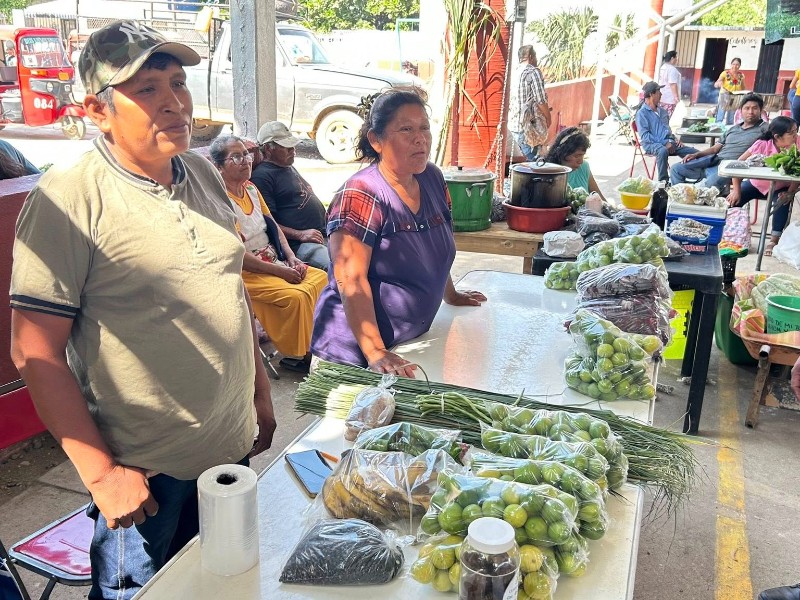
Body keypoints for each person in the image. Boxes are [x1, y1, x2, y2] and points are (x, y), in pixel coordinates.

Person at [8, 20, 276, 600]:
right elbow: (34, 350)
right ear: (98, 111)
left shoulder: (203, 170)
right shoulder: (67, 199)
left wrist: (258, 392)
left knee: (224, 584)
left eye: (178, 83)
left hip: (230, 449)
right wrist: (102, 475)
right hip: (147, 478)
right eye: (147, 89)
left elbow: (229, 290)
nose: (174, 103)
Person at [310, 86, 486, 377]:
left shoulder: (432, 177)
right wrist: (375, 352)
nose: (420, 139)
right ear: (376, 140)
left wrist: (450, 293)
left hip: (407, 345)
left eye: (424, 128)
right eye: (406, 129)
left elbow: (433, 249)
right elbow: (350, 279)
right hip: (355, 355)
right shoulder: (362, 194)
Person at [210, 134, 327, 373]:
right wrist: (281, 271)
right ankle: (297, 355)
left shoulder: (251, 189)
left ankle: (317, 344)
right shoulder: (220, 202)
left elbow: (272, 226)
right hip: (247, 273)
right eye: (236, 157)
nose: (245, 161)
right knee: (296, 296)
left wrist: (291, 259)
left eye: (246, 154)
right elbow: (239, 255)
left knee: (319, 278)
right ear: (219, 167)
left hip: (273, 260)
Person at [250, 121, 330, 271]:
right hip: (299, 244)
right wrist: (300, 235)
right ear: (268, 149)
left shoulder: (287, 166)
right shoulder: (262, 176)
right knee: (338, 267)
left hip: (322, 234)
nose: (292, 150)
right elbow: (267, 222)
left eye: (292, 146)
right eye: (286, 147)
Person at [727, 115, 799, 256]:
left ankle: (773, 240)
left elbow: (798, 174)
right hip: (756, 185)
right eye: (791, 133)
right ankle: (729, 235)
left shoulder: (798, 144)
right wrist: (736, 190)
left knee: (781, 202)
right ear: (777, 136)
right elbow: (737, 165)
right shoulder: (762, 144)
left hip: (782, 187)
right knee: (731, 201)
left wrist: (790, 192)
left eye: (796, 131)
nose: (795, 135)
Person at [670, 92, 768, 190]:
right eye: (747, 108)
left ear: (761, 110)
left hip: (731, 168)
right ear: (741, 110)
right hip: (712, 162)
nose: (750, 112)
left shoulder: (765, 129)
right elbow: (714, 149)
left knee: (707, 186)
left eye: (755, 108)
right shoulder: (733, 129)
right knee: (676, 169)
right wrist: (696, 155)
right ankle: (680, 196)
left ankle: (697, 196)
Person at [635, 81, 699, 182]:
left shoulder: (663, 111)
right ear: (652, 94)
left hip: (669, 142)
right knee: (662, 150)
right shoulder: (641, 114)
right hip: (651, 144)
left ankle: (698, 177)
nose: (661, 94)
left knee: (696, 153)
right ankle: (663, 183)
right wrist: (665, 142)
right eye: (658, 91)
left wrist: (674, 139)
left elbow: (666, 130)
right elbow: (645, 136)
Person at [508, 45, 550, 161]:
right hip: (528, 128)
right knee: (531, 166)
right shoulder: (533, 72)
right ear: (531, 57)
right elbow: (540, 100)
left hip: (512, 127)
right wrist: (548, 117)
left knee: (517, 164)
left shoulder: (512, 73)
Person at [545, 127, 606, 201]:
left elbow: (600, 198)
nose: (580, 161)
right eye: (577, 156)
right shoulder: (548, 174)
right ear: (562, 153)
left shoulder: (584, 167)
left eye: (583, 155)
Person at [714, 58, 746, 125]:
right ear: (731, 65)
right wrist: (719, 84)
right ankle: (717, 127)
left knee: (731, 117)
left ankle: (729, 130)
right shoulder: (725, 73)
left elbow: (743, 87)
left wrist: (745, 94)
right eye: (733, 64)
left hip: (735, 98)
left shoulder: (741, 75)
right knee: (721, 114)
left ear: (740, 66)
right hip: (725, 96)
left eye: (737, 64)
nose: (735, 66)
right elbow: (718, 82)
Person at [658, 50, 681, 118]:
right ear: (672, 58)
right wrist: (676, 97)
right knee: (666, 117)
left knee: (661, 116)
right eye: (676, 58)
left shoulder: (663, 67)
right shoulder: (672, 69)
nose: (676, 60)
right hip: (669, 98)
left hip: (662, 96)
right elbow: (672, 84)